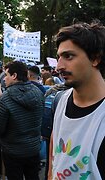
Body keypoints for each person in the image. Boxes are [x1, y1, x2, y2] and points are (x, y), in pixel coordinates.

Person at [49, 21, 105, 179]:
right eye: (59, 57)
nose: (59, 66)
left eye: (68, 56)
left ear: (95, 59)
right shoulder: (60, 100)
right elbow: (54, 156)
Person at [0, 61, 44, 180]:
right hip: (33, 148)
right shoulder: (38, 93)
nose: (4, 79)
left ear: (14, 76)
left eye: (6, 75)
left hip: (13, 151)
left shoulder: (5, 98)